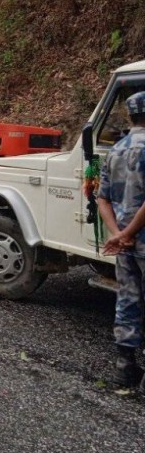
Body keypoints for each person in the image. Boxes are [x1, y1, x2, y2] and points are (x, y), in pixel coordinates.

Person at [98, 91, 145, 389]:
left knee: (128, 298)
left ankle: (125, 367)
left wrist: (118, 233)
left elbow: (102, 198)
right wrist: (128, 234)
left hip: (125, 243)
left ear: (130, 116)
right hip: (137, 237)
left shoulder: (115, 149)